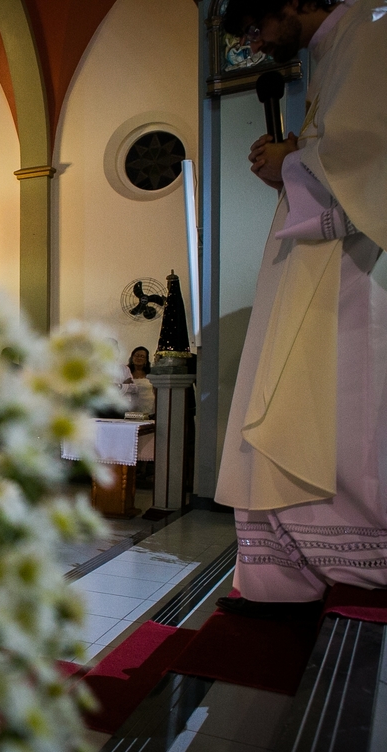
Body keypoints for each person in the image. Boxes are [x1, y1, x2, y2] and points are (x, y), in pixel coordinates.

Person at [215, 0, 387, 614]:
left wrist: (291, 162)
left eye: (255, 28)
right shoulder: (333, 52)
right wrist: (291, 162)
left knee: (337, 419)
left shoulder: (371, 31)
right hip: (314, 273)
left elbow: (369, 165)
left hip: (351, 281)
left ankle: (351, 566)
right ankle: (293, 570)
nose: (256, 45)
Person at [120, 346, 155, 417]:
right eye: (137, 355)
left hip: (149, 406)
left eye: (142, 356)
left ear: (146, 360)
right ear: (132, 357)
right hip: (130, 407)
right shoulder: (126, 372)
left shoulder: (151, 373)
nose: (139, 358)